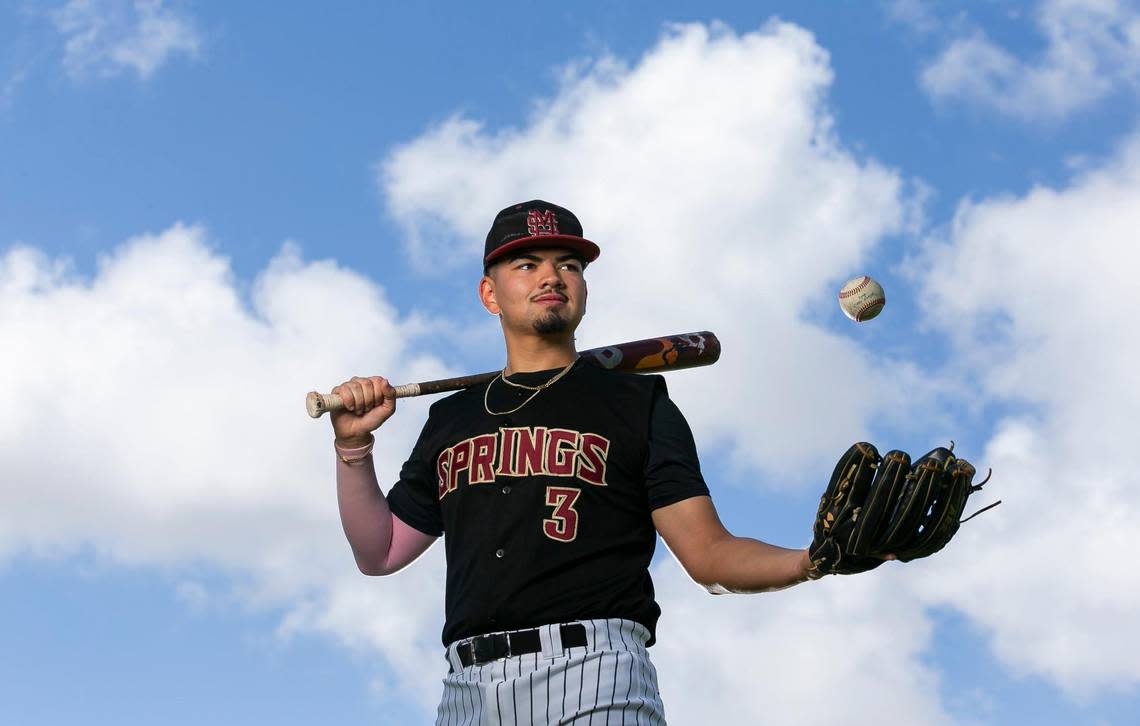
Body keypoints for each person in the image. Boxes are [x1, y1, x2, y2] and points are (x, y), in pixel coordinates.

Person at [329, 200, 812, 725]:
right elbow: (380, 552)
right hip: (466, 688)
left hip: (596, 673)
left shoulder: (638, 404)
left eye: (569, 264)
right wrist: (353, 449)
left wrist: (814, 560)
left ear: (583, 288)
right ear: (490, 293)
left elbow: (709, 555)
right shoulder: (453, 419)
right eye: (527, 264)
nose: (551, 276)